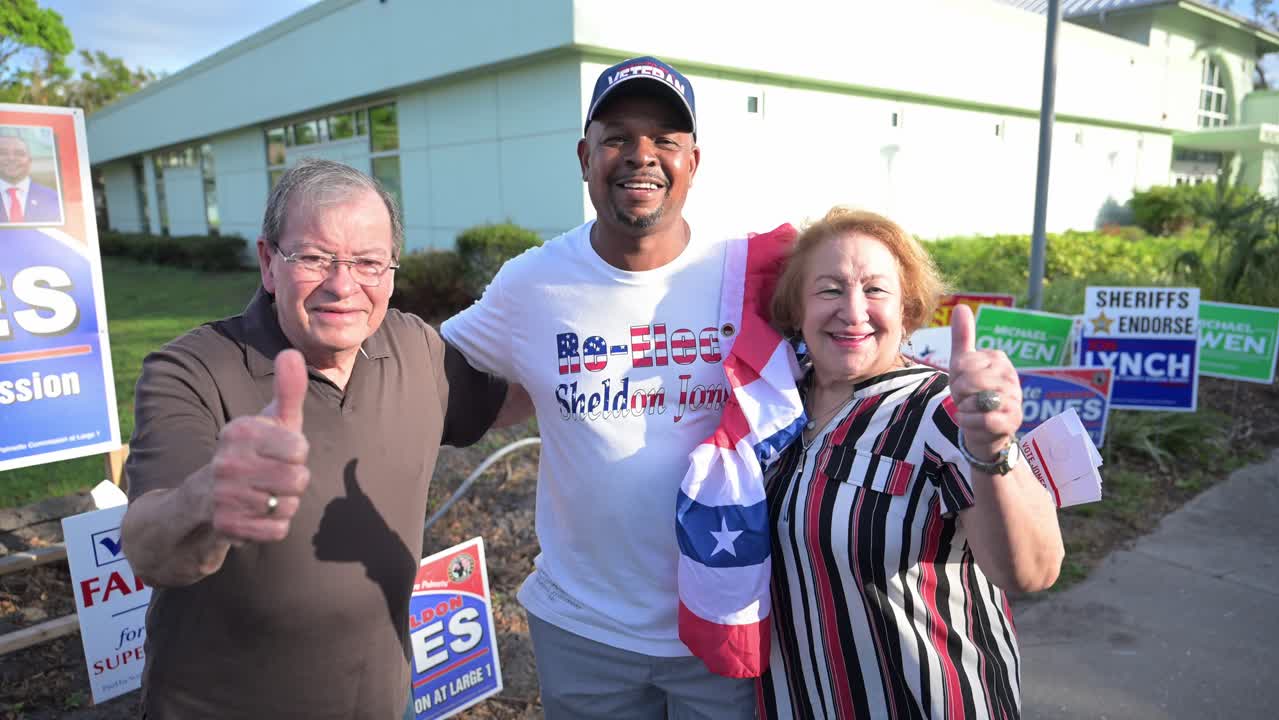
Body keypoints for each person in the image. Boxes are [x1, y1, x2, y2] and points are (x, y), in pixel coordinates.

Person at [119, 158, 510, 720]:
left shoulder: (414, 348)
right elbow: (149, 549)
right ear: (268, 263)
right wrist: (207, 499)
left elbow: (505, 401)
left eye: (367, 262)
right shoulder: (191, 371)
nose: (342, 285)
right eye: (314, 257)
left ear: (391, 271)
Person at [441, 56, 759, 717]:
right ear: (585, 157)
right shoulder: (532, 283)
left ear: (693, 162)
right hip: (583, 631)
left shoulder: (748, 272)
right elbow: (426, 370)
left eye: (664, 139)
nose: (641, 156)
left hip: (725, 620)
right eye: (617, 138)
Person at [760, 207, 1064, 719]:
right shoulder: (769, 404)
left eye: (875, 290)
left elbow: (1032, 571)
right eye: (830, 290)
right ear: (796, 308)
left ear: (908, 310)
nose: (853, 311)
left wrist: (991, 448)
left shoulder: (941, 409)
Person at [0, 134, 62, 224]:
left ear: (30, 161)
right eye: (3, 153)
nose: (11, 158)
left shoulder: (53, 198)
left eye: (19, 154)